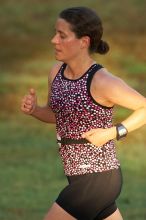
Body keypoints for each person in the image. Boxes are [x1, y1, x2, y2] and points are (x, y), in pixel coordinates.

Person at [21, 6, 146, 220]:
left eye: (62, 35)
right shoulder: (56, 72)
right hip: (77, 177)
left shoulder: (102, 81)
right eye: (55, 33)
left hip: (98, 177)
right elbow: (57, 115)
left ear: (83, 42)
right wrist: (35, 110)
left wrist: (112, 132)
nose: (53, 40)